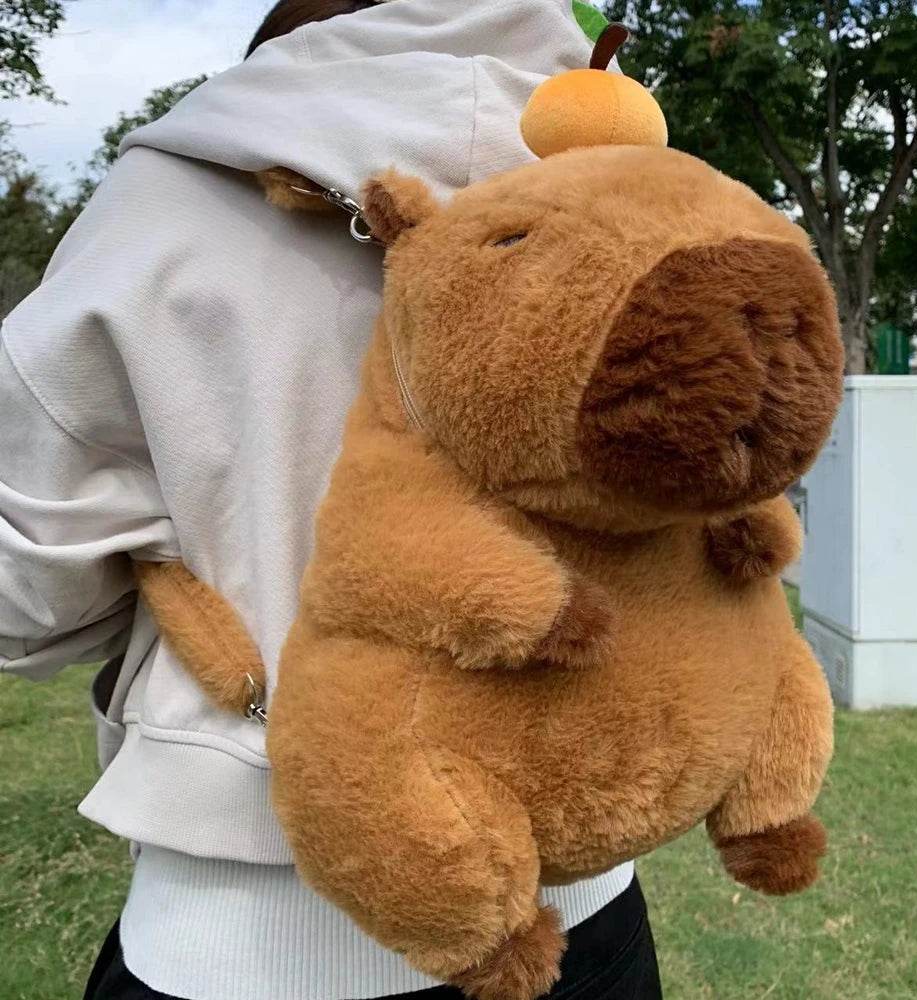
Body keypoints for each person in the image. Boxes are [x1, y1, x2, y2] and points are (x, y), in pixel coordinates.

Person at [0, 2, 662, 998]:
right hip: (586, 908)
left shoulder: (165, 208)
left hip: (245, 935)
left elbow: (23, 601)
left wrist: (173, 552)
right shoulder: (644, 190)